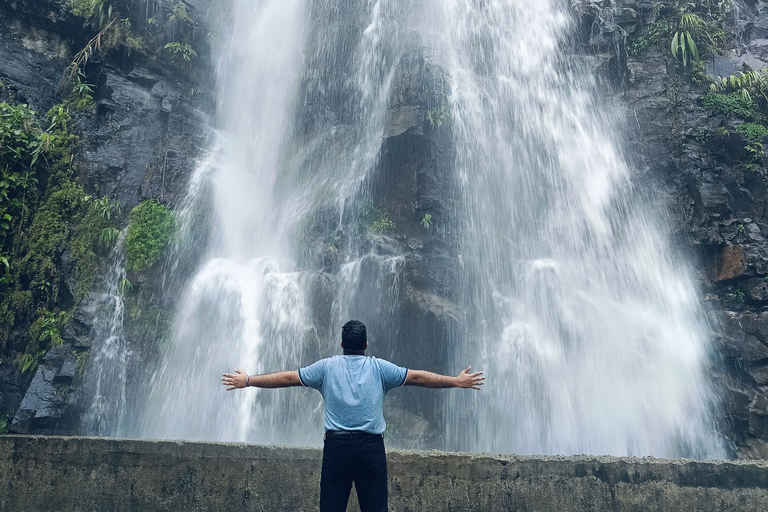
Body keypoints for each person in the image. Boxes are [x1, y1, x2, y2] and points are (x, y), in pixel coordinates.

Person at [221, 319, 484, 512]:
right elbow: (417, 377)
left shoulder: (326, 367)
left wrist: (248, 380)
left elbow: (289, 377)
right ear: (366, 344)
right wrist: (456, 381)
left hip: (336, 449)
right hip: (370, 449)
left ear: (342, 344)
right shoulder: (380, 368)